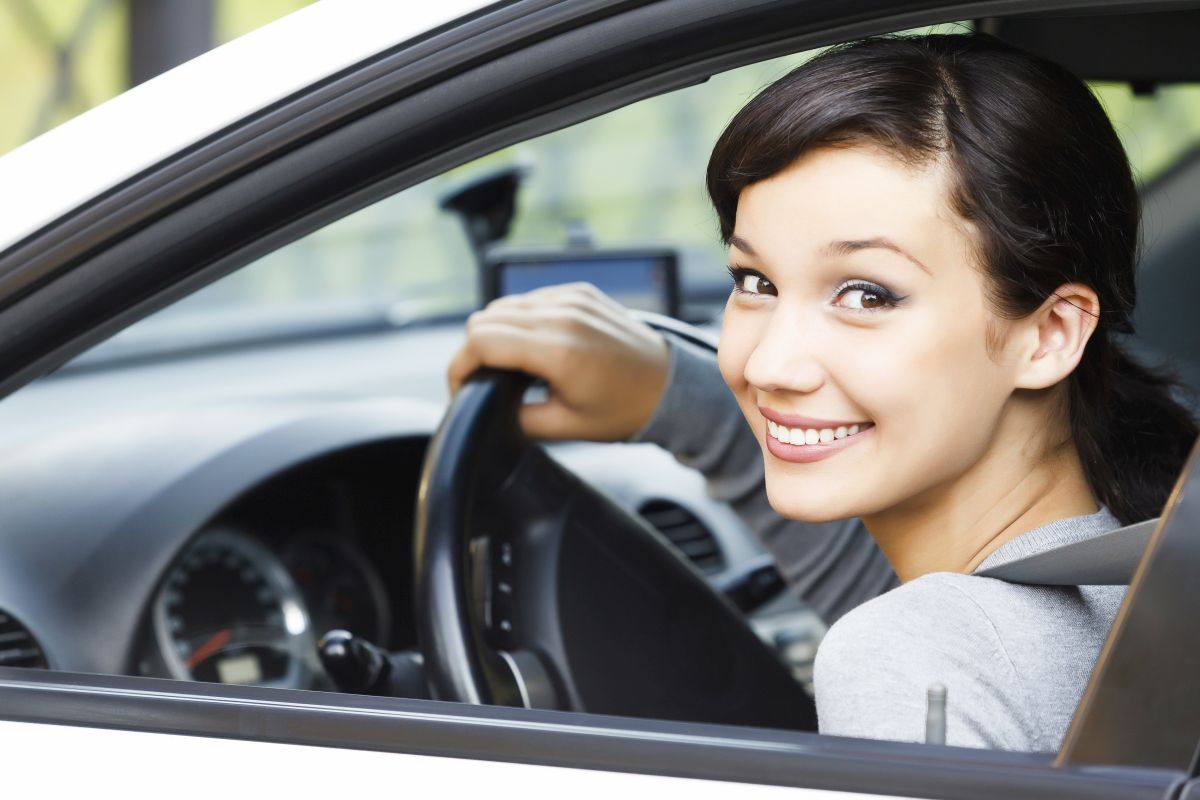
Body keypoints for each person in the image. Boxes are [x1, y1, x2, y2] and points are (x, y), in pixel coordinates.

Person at [448, 33, 1198, 751]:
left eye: (867, 295)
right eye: (756, 282)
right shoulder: (1143, 569)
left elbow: (930, 635)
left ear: (1050, 334)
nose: (770, 363)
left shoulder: (918, 658)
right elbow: (889, 583)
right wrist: (670, 395)